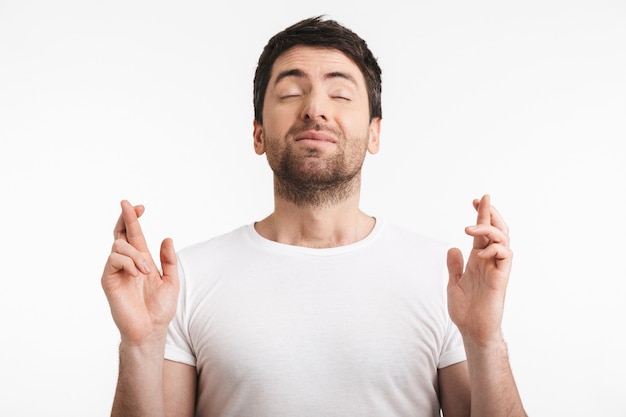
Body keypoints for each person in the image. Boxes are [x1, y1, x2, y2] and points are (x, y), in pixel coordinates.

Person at [101, 16, 527, 417]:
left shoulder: (446, 278)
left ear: (375, 133)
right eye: (290, 93)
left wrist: (485, 341)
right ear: (258, 134)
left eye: (339, 94)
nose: (314, 109)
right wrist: (139, 343)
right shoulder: (185, 281)